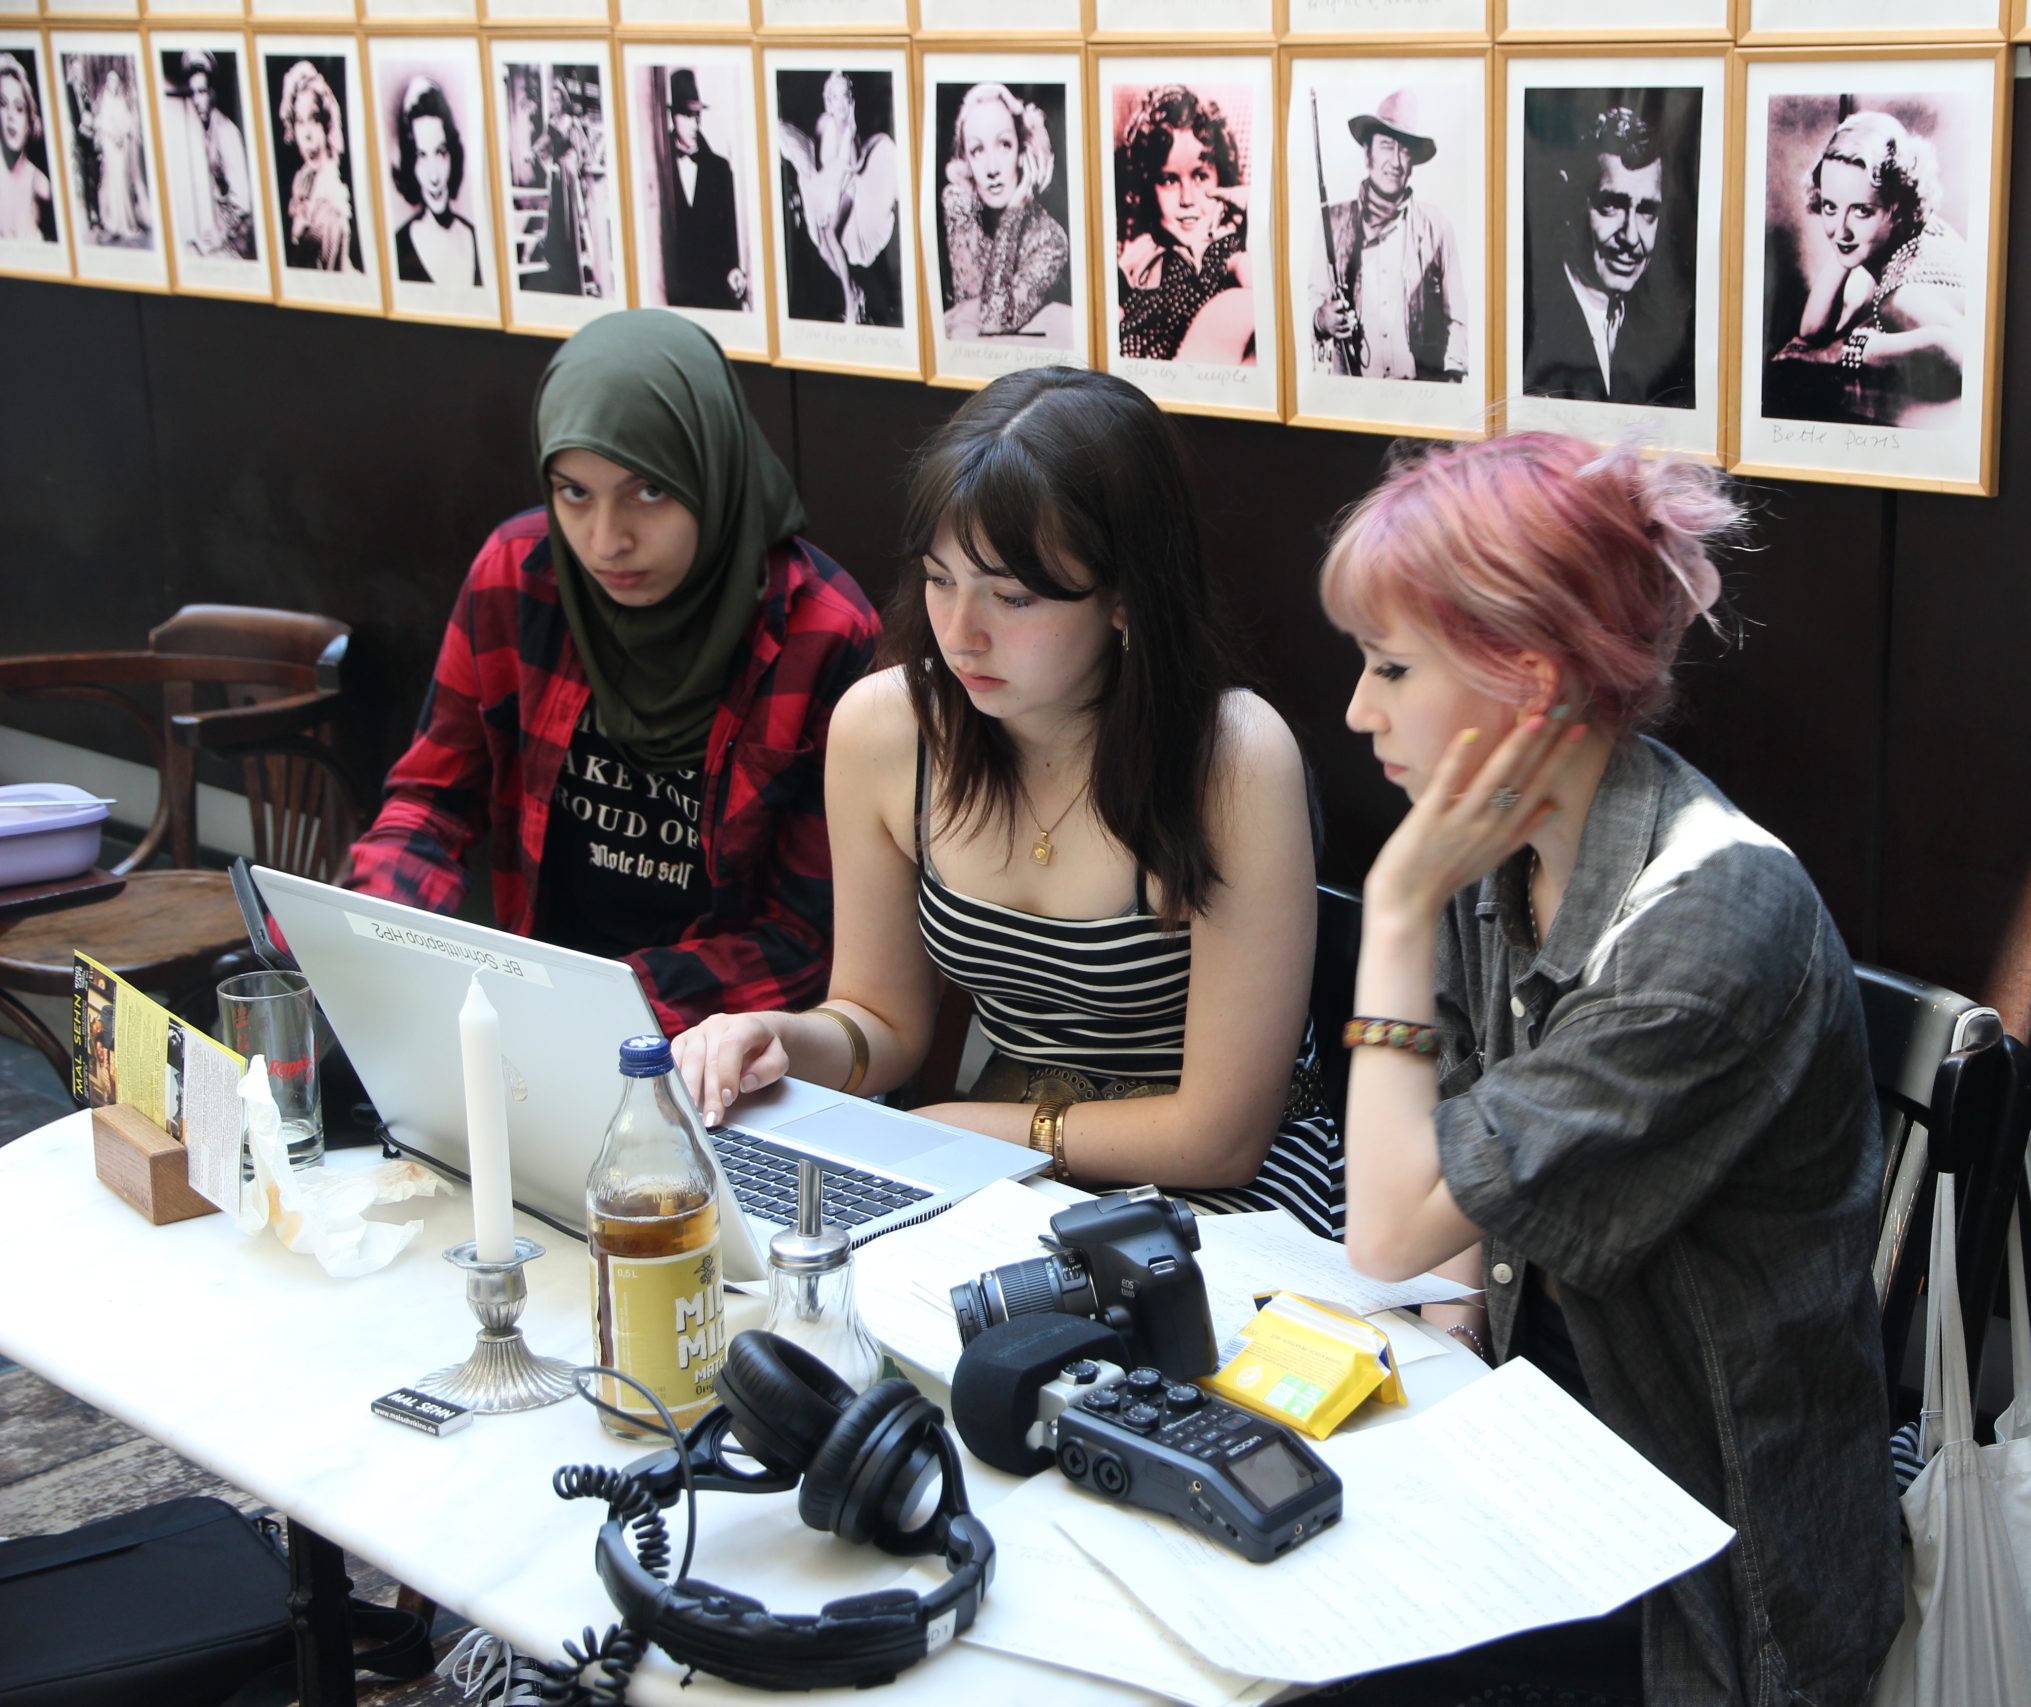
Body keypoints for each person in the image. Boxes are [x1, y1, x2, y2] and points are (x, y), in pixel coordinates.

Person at [1318, 433, 1900, 1701]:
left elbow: (1388, 1226)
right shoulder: (1506, 838)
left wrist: (1394, 915)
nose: (1359, 709)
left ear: (1524, 678)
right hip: (1535, 1458)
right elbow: (1450, 1157)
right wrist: (1451, 1329)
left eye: (1390, 666)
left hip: (1698, 1565)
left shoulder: (1712, 923)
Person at [673, 367, 1344, 1240]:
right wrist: (781, 1040)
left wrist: (970, 1131)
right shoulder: (887, 729)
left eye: (1013, 596)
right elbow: (881, 1020)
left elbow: (1220, 1137)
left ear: (1125, 596)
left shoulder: (1232, 758)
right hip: (1003, 1166)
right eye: (940, 579)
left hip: (1223, 1200)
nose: (961, 633)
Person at [349, 310, 879, 1034]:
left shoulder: (822, 633)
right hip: (533, 1016)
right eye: (574, 493)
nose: (606, 541)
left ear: (712, 469)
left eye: (648, 491)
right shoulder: (518, 577)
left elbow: (805, 940)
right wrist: (373, 931)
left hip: (728, 1045)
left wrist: (590, 1003)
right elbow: (431, 802)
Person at [1770, 108, 1965, 424]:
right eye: (1830, 206)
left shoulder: (1903, 297)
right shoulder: (1899, 239)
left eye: (1861, 210)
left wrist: (1853, 351)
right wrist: (1847, 243)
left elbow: (1965, 349)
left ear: (1896, 207)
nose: (1840, 229)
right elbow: (1812, 330)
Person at [1521, 104, 1693, 410]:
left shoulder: (1665, 333)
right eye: (1611, 205)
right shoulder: (1526, 323)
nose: (1631, 237)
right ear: (1570, 202)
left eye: (1647, 211)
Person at [1305, 89, 1466, 384]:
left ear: (1413, 162)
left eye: (1404, 150)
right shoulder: (1332, 222)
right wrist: (1321, 320)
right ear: (1367, 152)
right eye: (1386, 146)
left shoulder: (1438, 227)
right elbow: (1306, 309)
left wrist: (1451, 387)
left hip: (1420, 397)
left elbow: (1456, 321)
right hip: (1352, 398)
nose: (1395, 161)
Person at [1114, 84, 1253, 364]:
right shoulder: (1142, 251)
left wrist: (1250, 206)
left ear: (1221, 179)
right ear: (1148, 187)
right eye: (1169, 181)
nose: (1186, 199)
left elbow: (1258, 292)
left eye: (1200, 176)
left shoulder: (1224, 247)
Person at [938, 83, 1070, 342]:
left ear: (1023, 151)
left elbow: (993, 321)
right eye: (977, 150)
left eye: (1004, 145)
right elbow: (967, 309)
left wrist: (1013, 213)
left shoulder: (1051, 239)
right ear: (966, 161)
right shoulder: (961, 207)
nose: (992, 168)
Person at [776, 71, 901, 327]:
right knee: (823, 246)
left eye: (844, 97)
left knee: (831, 234)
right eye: (834, 98)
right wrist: (820, 199)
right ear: (828, 102)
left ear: (850, 100)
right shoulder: (823, 124)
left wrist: (851, 131)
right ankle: (854, 289)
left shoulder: (850, 128)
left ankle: (850, 301)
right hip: (829, 189)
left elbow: (853, 167)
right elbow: (819, 166)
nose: (840, 103)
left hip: (849, 189)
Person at [660, 68, 745, 312]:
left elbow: (729, 230)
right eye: (687, 116)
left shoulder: (719, 169)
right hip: (674, 298)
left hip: (714, 296)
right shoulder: (659, 167)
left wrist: (733, 268)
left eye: (697, 115)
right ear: (673, 117)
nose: (694, 124)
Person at [391, 75, 482, 288]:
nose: (434, 177)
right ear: (410, 163)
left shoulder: (477, 238)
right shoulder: (397, 246)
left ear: (452, 154)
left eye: (440, 153)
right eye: (422, 156)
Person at [169, 52, 253, 260]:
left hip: (234, 243)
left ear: (212, 93)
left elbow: (243, 202)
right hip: (216, 234)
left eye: (202, 92)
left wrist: (221, 234)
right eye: (192, 93)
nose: (196, 101)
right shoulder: (204, 131)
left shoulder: (225, 133)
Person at [278, 60, 360, 272]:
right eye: (300, 121)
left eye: (314, 119)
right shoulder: (302, 179)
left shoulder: (335, 193)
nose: (307, 135)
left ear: (326, 123)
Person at [86, 61, 147, 245]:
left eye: (115, 83)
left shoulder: (120, 102)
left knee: (122, 183)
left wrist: (122, 133)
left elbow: (127, 123)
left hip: (121, 150)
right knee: (113, 184)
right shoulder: (106, 101)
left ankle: (126, 221)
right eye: (110, 82)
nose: (113, 86)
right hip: (111, 149)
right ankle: (114, 222)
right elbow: (102, 125)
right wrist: (113, 135)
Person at [0, 54, 53, 244]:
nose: (11, 116)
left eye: (19, 108)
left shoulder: (41, 186)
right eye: (2, 104)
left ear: (29, 122)